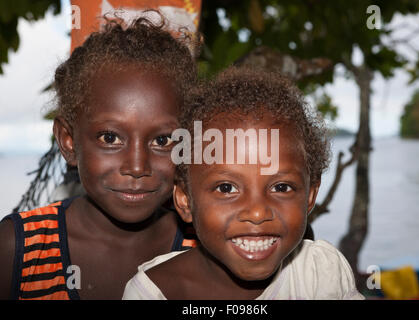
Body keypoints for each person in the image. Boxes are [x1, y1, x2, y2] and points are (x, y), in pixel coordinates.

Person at [122, 67, 365, 300]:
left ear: (310, 195)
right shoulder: (151, 294)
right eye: (226, 188)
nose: (258, 212)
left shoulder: (320, 274)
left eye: (281, 187)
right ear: (185, 200)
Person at [0, 14, 197, 300]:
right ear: (68, 142)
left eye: (162, 140)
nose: (137, 167)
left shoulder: (208, 252)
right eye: (110, 138)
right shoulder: (18, 249)